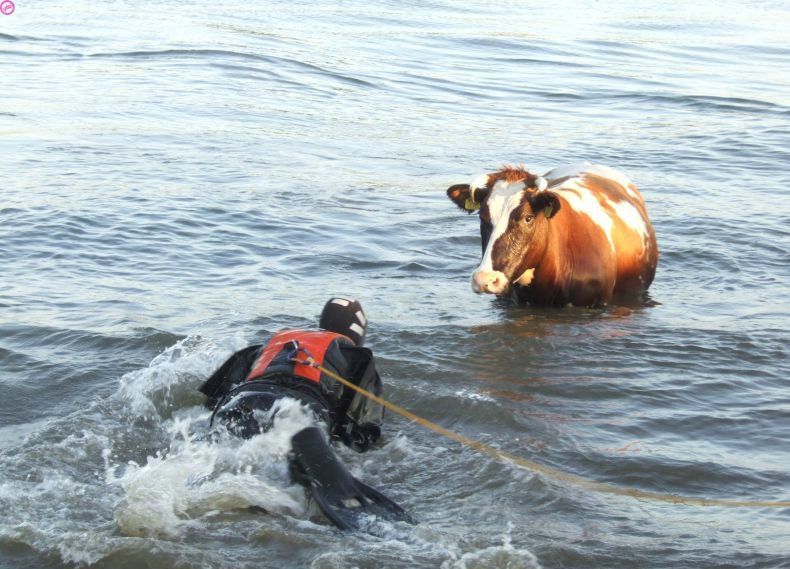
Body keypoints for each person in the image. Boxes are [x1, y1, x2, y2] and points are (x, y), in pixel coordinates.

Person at [198, 297, 411, 530]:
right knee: (290, 474)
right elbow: (364, 431)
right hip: (298, 408)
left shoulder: (270, 344)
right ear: (358, 332)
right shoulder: (357, 355)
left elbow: (212, 398)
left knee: (230, 453)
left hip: (240, 401)